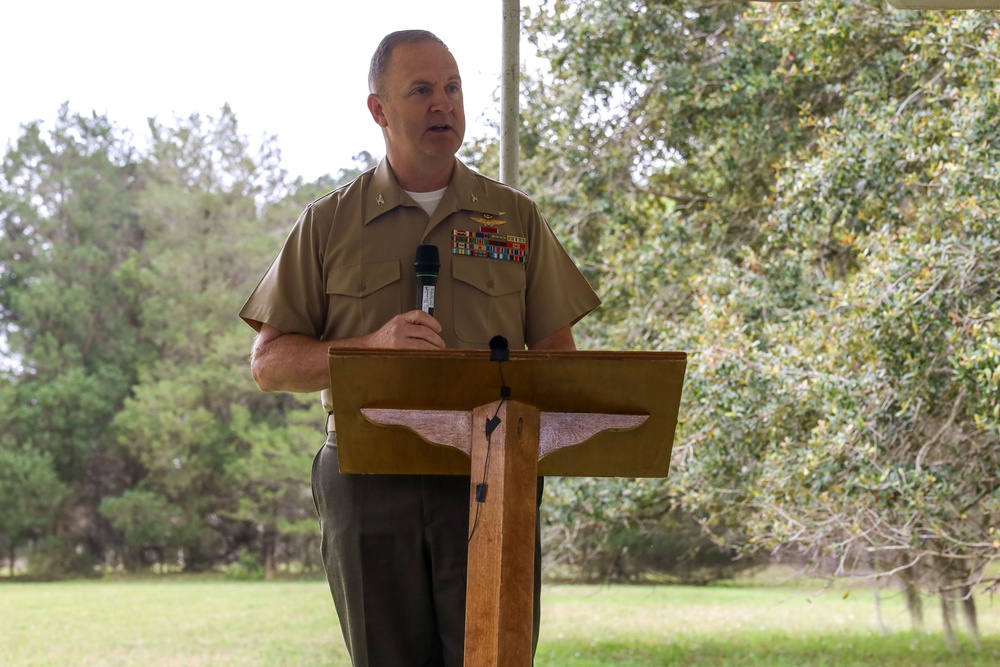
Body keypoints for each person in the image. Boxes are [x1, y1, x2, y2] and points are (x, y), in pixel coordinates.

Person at [239, 29, 600, 667]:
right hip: (369, 478)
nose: (444, 104)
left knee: (494, 656)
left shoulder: (514, 219)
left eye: (454, 88)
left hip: (489, 477)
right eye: (422, 90)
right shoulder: (328, 223)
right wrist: (369, 349)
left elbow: (557, 354)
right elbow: (270, 364)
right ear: (378, 108)